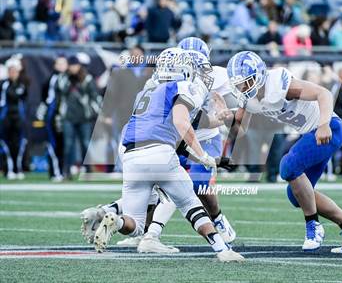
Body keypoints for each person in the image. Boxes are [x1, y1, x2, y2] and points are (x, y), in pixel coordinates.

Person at [93, 48, 244, 262]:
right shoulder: (182, 86)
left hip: (131, 156)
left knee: (134, 226)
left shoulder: (145, 92)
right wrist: (203, 155)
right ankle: (223, 250)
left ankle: (115, 221)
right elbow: (181, 122)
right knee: (190, 204)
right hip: (159, 152)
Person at [227, 51, 342, 253]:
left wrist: (323, 124)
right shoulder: (248, 98)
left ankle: (313, 226)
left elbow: (324, 94)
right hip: (310, 134)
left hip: (329, 129)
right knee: (297, 195)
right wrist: (226, 118)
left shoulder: (279, 84)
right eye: (239, 84)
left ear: (258, 75)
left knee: (288, 166)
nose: (243, 88)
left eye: (246, 82)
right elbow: (239, 131)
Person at [60, 55, 101, 178]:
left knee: (85, 143)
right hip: (68, 117)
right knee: (68, 144)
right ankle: (66, 171)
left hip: (84, 117)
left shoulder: (87, 79)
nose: (73, 68)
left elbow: (95, 97)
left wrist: (94, 112)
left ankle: (88, 170)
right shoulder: (64, 77)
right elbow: (61, 90)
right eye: (71, 65)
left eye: (75, 65)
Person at [36, 56, 68, 182]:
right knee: (53, 144)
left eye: (63, 63)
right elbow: (46, 99)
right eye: (58, 63)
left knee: (65, 145)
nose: (61, 66)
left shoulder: (69, 78)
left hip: (66, 117)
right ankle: (55, 172)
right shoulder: (52, 79)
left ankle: (65, 171)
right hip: (53, 115)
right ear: (55, 65)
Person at [0, 56, 28, 180]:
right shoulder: (4, 84)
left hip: (18, 118)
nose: (13, 73)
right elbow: (10, 96)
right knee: (6, 144)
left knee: (18, 144)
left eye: (15, 71)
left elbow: (20, 97)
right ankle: (8, 169)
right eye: (11, 70)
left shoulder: (23, 84)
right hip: (5, 118)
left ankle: (18, 168)